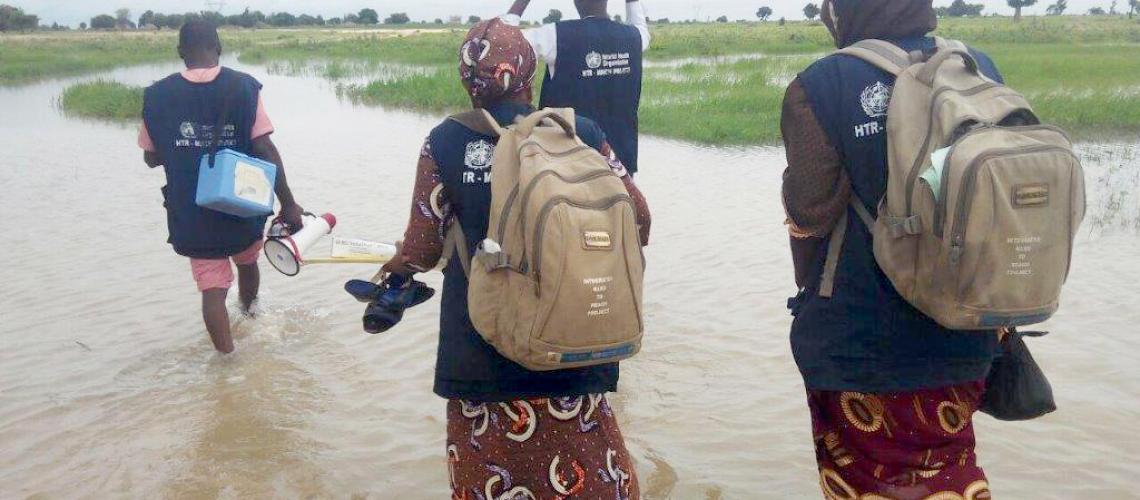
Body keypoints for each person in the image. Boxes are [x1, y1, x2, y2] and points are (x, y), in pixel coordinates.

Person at [380, 19, 650, 498]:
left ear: (469, 80)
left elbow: (421, 249)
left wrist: (394, 270)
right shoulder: (579, 131)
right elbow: (640, 218)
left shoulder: (444, 142)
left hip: (483, 357)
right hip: (574, 350)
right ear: (528, 74)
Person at [780, 1, 1004, 498]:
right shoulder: (977, 68)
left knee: (871, 481)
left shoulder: (819, 87)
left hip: (859, 344)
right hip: (968, 332)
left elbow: (809, 213)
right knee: (950, 464)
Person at [139, 20, 304, 354]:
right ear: (219, 47)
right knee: (247, 261)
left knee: (212, 290)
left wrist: (183, 146)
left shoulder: (156, 95)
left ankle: (227, 359)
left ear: (180, 52)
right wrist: (288, 204)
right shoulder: (243, 87)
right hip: (241, 201)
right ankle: (250, 313)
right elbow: (264, 148)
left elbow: (151, 158)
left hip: (191, 209)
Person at [501, 0, 650, 175]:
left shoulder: (556, 35)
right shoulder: (635, 37)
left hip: (565, 169)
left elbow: (504, 39)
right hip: (619, 167)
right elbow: (640, 24)